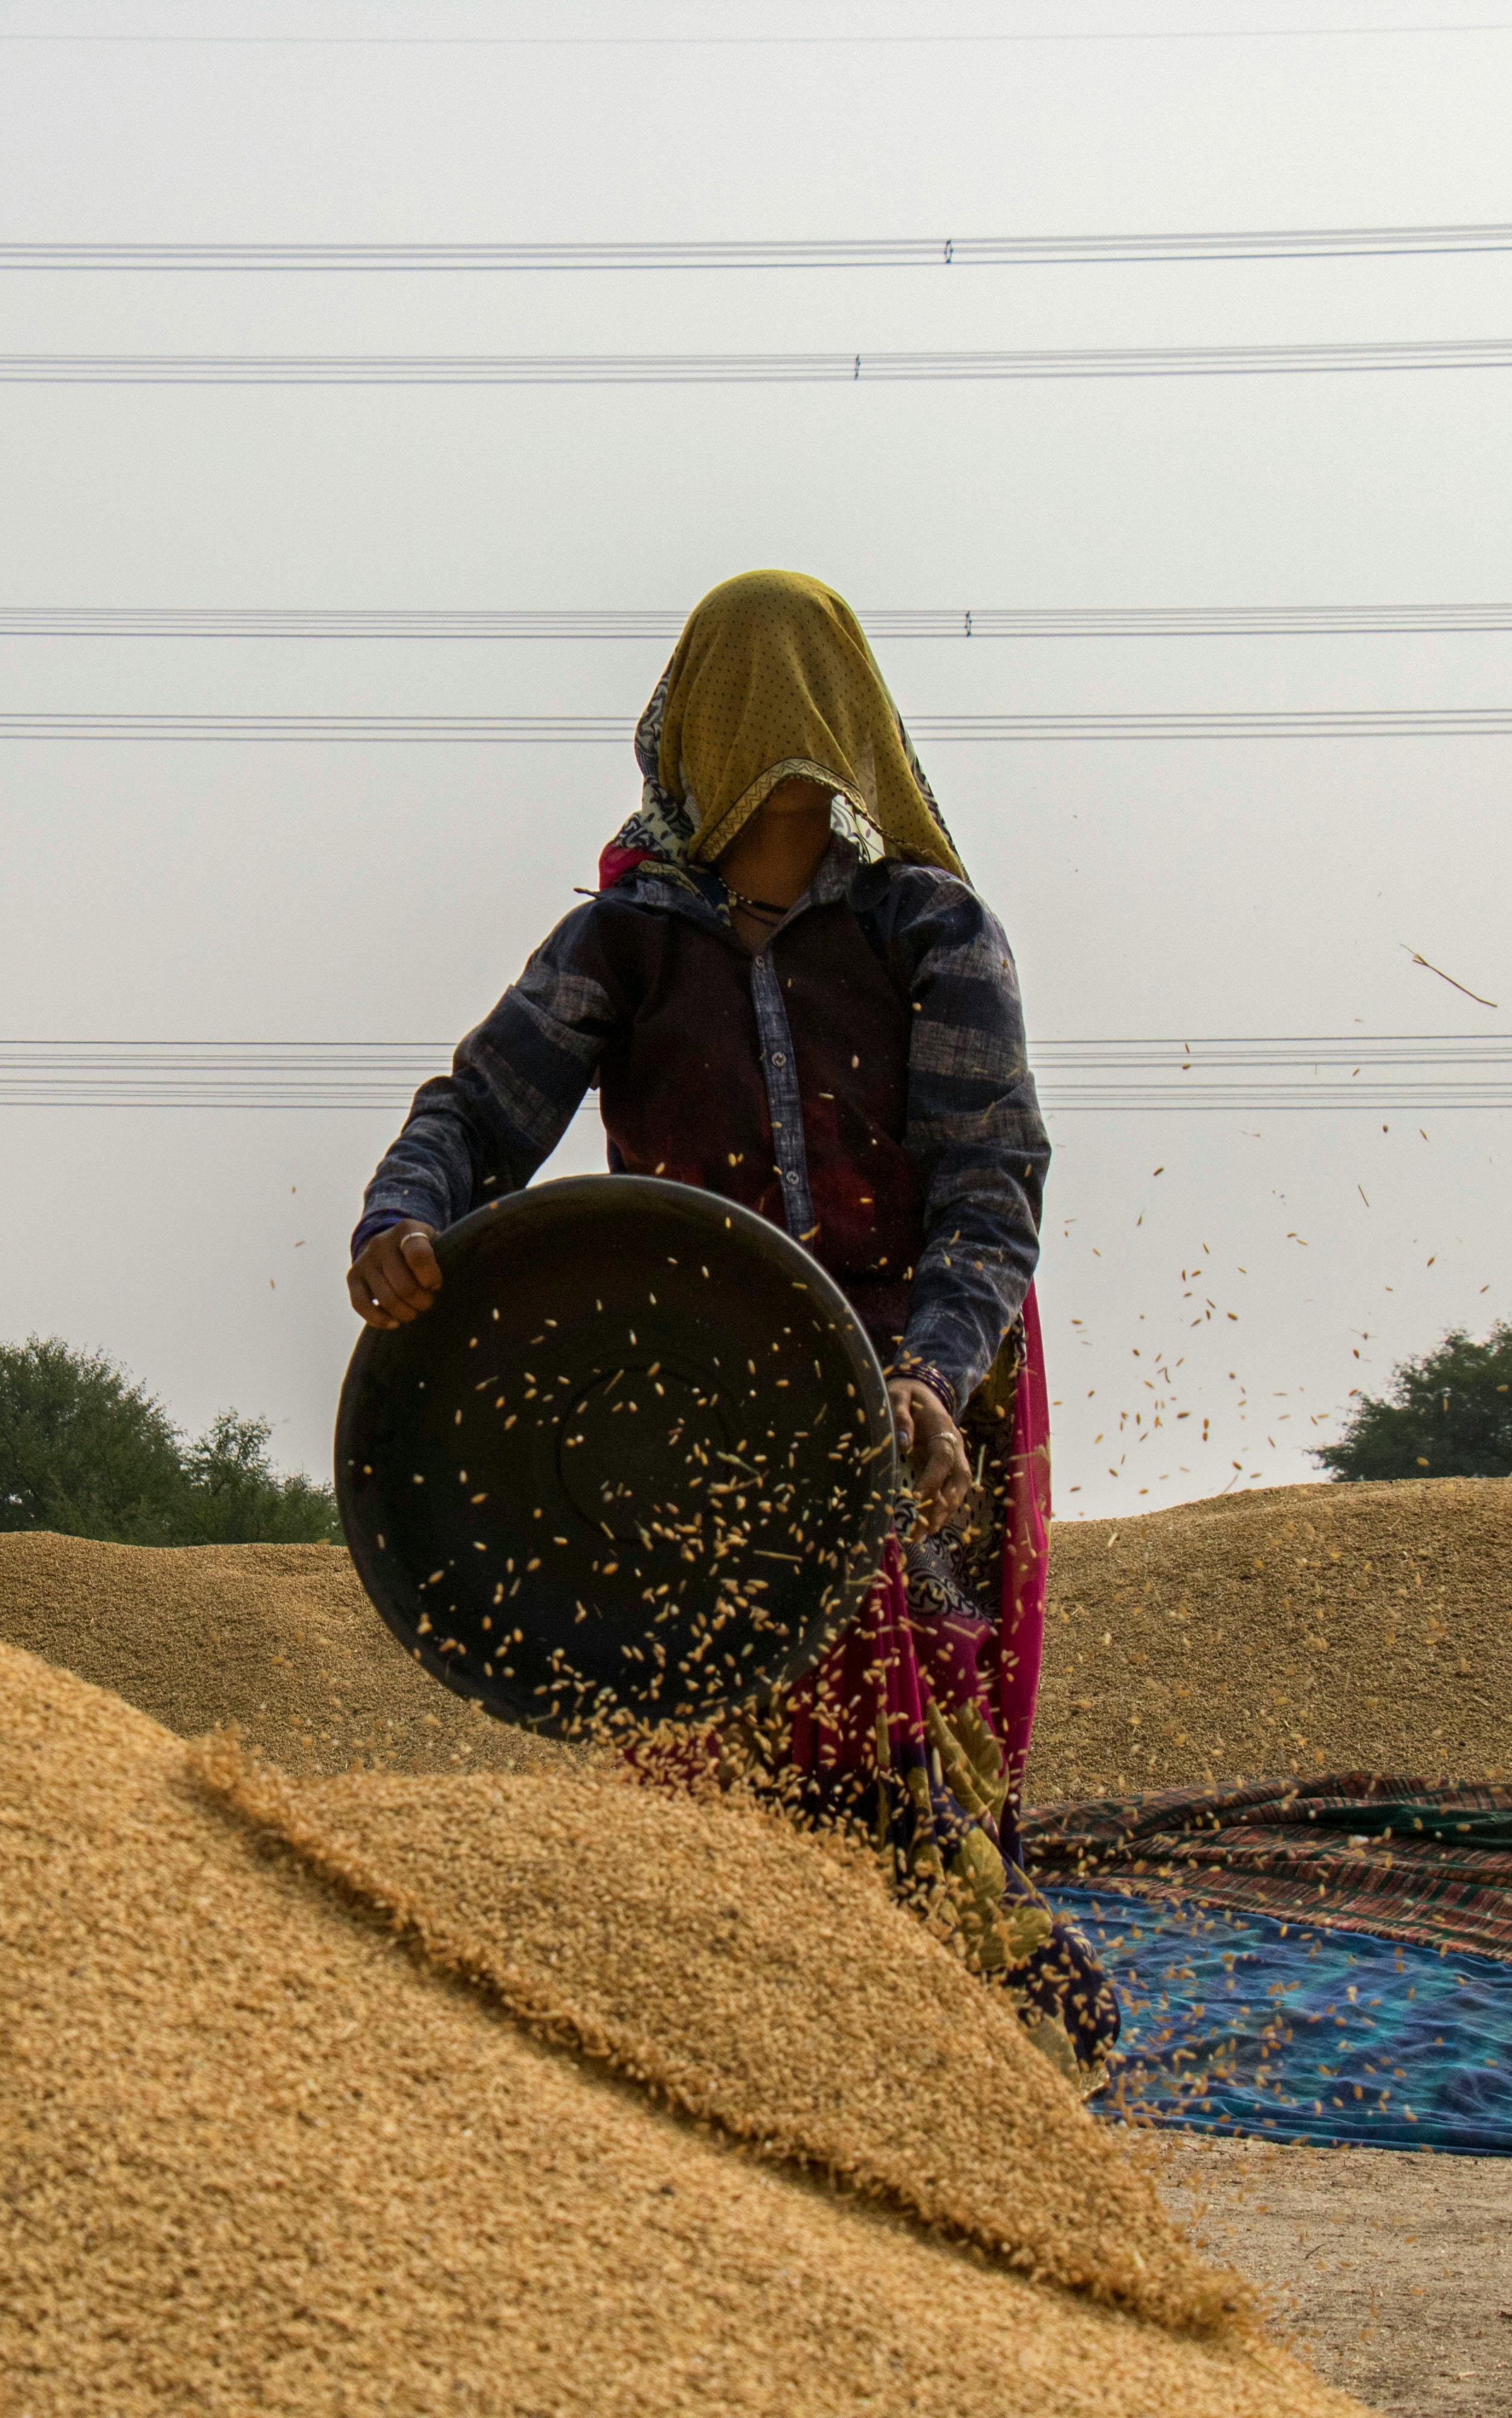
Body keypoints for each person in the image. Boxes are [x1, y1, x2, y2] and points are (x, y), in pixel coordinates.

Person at [343, 568, 1114, 2074]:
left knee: (907, 1750)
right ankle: (735, 2066)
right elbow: (478, 1111)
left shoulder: (929, 933)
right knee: (717, 1738)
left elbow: (990, 1186)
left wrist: (932, 1375)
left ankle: (1017, 2062)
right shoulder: (622, 946)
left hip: (914, 1388)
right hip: (696, 1397)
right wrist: (403, 1218)